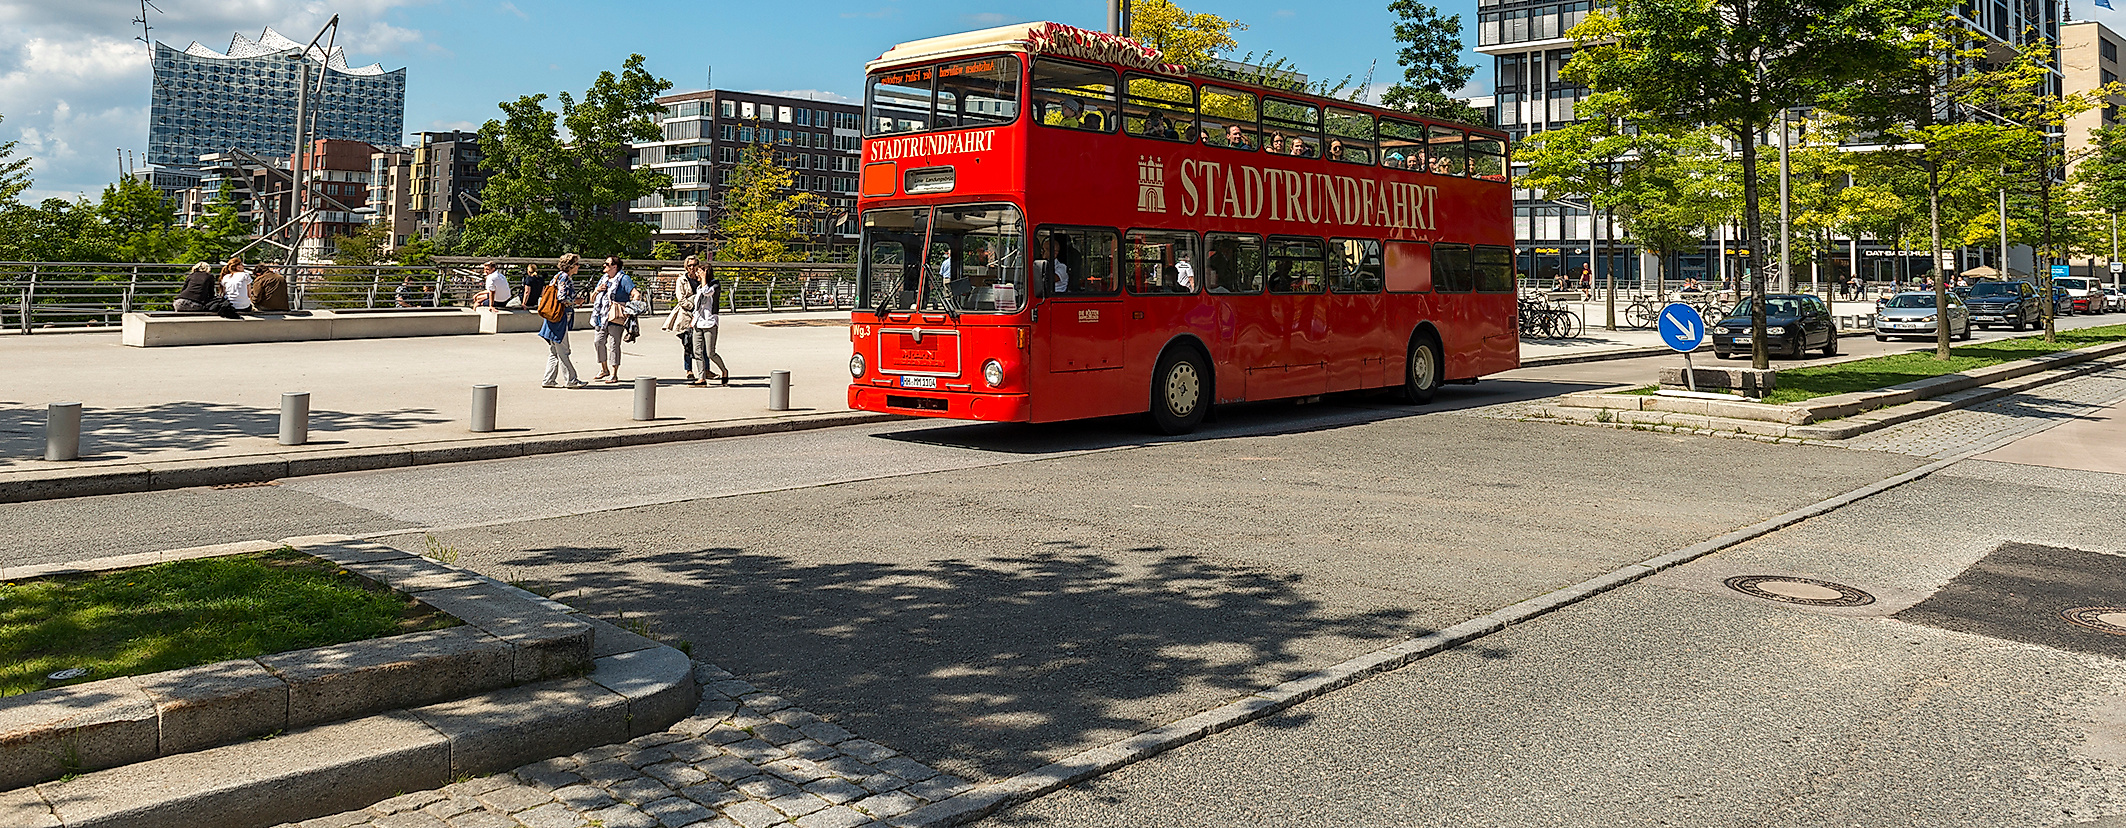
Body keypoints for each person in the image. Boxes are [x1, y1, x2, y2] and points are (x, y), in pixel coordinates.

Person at [588, 256, 638, 383]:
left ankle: (614, 373)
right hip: (601, 315)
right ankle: (604, 369)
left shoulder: (624, 279)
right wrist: (597, 290)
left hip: (616, 316)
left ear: (614, 267)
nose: (604, 266)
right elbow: (592, 299)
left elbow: (635, 293)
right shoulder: (603, 279)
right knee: (598, 342)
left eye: (607, 264)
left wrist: (631, 309)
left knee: (614, 344)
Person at [540, 254, 586, 388]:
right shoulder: (565, 278)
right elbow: (562, 298)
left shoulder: (557, 276)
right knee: (564, 350)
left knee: (555, 351)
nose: (578, 267)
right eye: (577, 264)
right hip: (560, 317)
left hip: (551, 316)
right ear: (571, 266)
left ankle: (548, 379)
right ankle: (571, 380)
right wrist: (575, 301)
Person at [689, 265, 730, 386]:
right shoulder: (699, 287)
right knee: (697, 351)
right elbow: (698, 303)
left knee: (710, 353)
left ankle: (724, 370)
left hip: (710, 321)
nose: (697, 274)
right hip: (698, 322)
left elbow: (707, 292)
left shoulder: (715, 284)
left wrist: (704, 279)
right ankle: (701, 378)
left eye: (699, 272)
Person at [664, 258, 701, 382]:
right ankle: (689, 370)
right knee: (688, 344)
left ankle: (705, 369)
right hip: (686, 314)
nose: (692, 267)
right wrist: (693, 307)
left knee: (703, 344)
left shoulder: (701, 279)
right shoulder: (682, 280)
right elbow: (681, 299)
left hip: (701, 315)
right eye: (689, 265)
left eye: (695, 265)